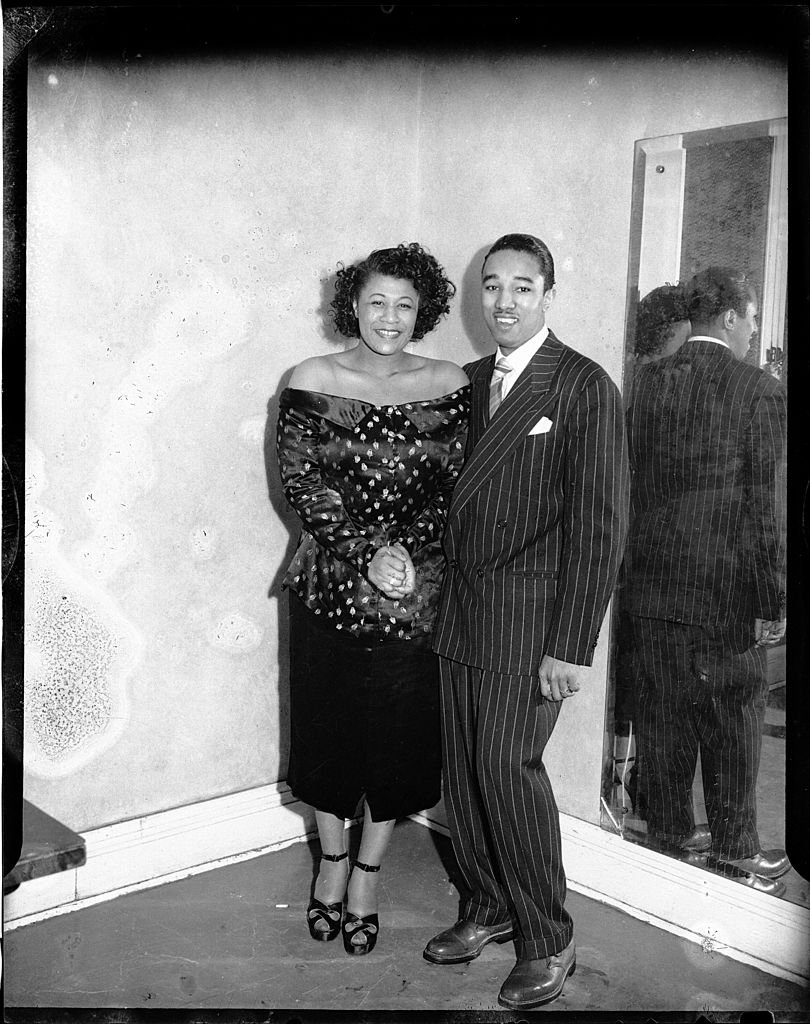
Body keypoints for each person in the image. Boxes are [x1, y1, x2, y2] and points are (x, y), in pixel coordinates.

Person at [424, 233, 629, 1009]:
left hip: (533, 621)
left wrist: (571, 646)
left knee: (508, 768)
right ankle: (487, 904)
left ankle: (549, 935)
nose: (503, 302)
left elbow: (600, 526)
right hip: (462, 615)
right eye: (491, 287)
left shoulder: (580, 385)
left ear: (548, 293)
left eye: (521, 287)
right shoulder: (467, 382)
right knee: (464, 770)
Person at [276, 242, 469, 955]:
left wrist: (409, 556)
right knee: (327, 739)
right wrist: (367, 553)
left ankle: (366, 873)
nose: (389, 317)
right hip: (327, 587)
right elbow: (302, 485)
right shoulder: (312, 376)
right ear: (352, 304)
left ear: (425, 310)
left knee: (396, 746)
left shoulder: (449, 380)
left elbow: (455, 485)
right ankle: (330, 863)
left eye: (406, 304)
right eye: (377, 301)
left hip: (416, 598)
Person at [622, 265, 788, 894]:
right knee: (734, 713)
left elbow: (634, 486)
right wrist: (773, 596)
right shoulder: (758, 389)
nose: (751, 332)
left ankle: (667, 839)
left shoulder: (649, 382)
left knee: (664, 715)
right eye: (750, 319)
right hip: (727, 587)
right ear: (730, 317)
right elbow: (763, 505)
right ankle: (736, 847)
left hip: (654, 583)